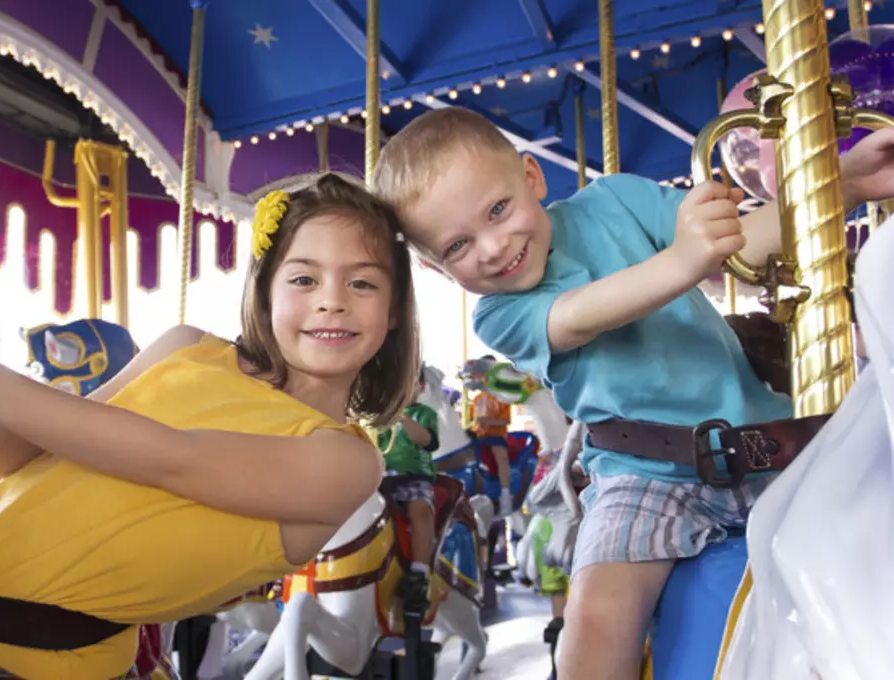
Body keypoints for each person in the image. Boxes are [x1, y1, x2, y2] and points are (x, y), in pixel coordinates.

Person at [371, 106, 894, 679]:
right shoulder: (500, 313)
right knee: (595, 620)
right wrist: (684, 259)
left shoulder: (615, 201)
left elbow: (738, 242)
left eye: (498, 210)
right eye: (457, 247)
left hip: (767, 443)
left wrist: (842, 183)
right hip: (642, 475)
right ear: (436, 267)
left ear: (531, 177)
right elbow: (582, 315)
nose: (492, 248)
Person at [0, 173, 420, 679]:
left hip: (24, 659)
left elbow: (171, 460)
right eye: (304, 279)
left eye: (363, 282)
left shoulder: (345, 462)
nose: (332, 300)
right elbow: (32, 456)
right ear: (266, 290)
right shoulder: (185, 348)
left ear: (394, 310)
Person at [377, 365, 440, 611]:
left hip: (413, 478)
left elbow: (425, 440)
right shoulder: (379, 417)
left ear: (421, 387)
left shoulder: (424, 414)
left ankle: (418, 571)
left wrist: (402, 416)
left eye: (409, 384)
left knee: (420, 510)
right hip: (380, 478)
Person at [469, 356, 514, 515]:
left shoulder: (502, 397)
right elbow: (473, 421)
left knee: (500, 455)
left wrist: (489, 421)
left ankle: (505, 493)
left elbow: (505, 421)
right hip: (479, 437)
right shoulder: (476, 399)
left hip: (495, 435)